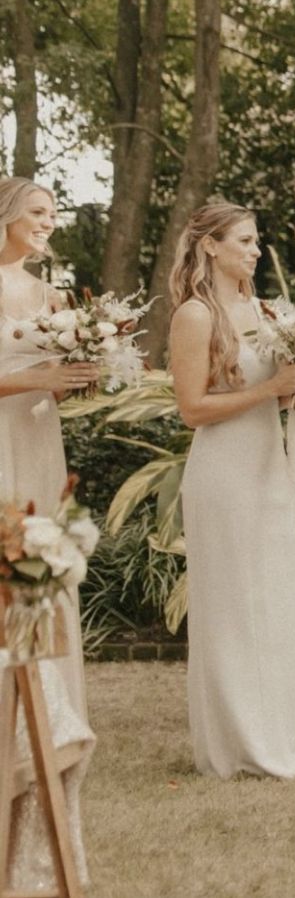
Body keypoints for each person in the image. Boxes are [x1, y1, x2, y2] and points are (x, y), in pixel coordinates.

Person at [168, 202, 295, 778]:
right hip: (223, 474)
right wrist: (271, 389)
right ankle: (239, 746)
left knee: (278, 602)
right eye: (244, 240)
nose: (256, 250)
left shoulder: (261, 310)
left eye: (257, 241)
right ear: (210, 246)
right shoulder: (194, 316)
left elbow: (268, 396)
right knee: (234, 609)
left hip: (269, 465)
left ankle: (284, 734)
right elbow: (193, 410)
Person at [0, 177, 97, 888]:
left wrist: (81, 374)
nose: (48, 223)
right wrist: (40, 375)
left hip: (38, 443)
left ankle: (47, 729)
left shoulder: (51, 295)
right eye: (37, 212)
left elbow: (52, 378)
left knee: (43, 573)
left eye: (53, 214)